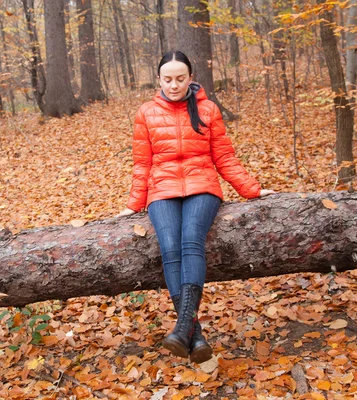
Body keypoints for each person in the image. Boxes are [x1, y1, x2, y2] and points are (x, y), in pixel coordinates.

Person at [116, 50, 274, 363]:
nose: (174, 85)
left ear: (191, 78)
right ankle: (193, 332)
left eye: (180, 78)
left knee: (191, 239)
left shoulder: (208, 109)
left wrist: (251, 190)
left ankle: (183, 326)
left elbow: (224, 157)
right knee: (170, 246)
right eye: (167, 79)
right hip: (162, 189)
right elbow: (141, 163)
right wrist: (134, 203)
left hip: (203, 186)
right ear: (159, 79)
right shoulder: (146, 112)